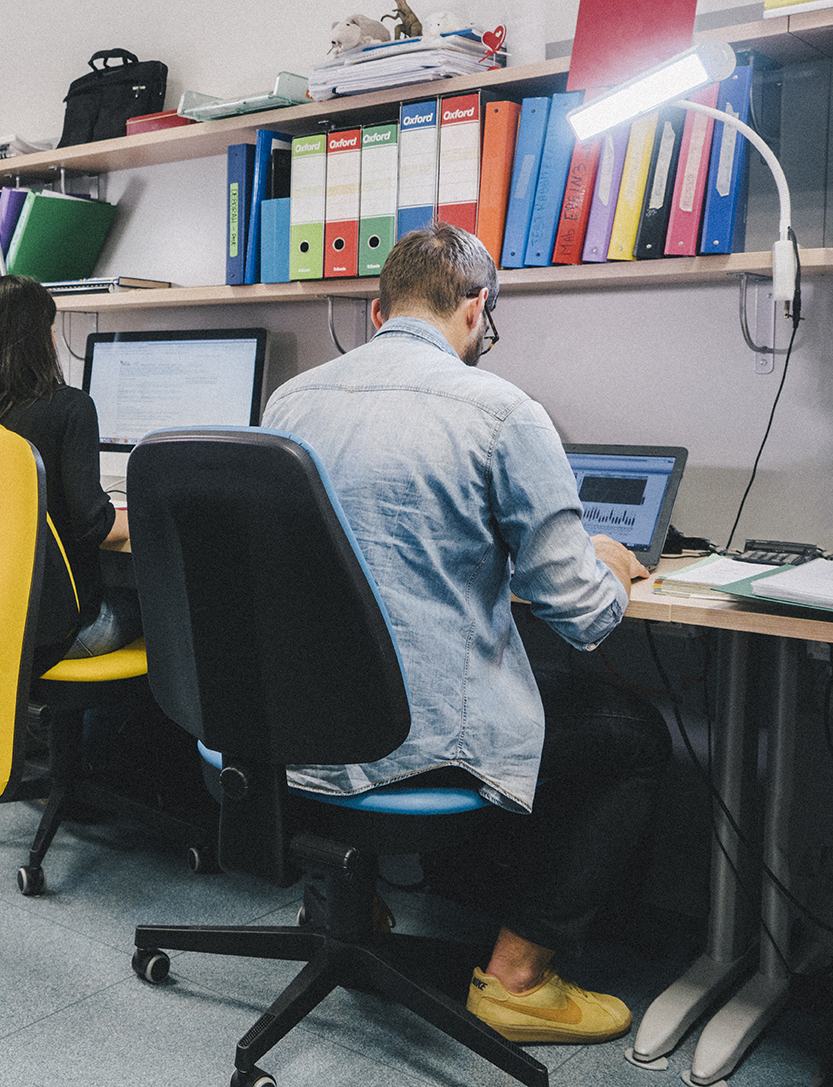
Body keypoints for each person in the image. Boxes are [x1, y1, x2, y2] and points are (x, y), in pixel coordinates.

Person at [260, 222, 670, 1045]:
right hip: (418, 735)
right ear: (477, 308)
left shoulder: (288, 400)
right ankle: (519, 978)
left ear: (378, 312)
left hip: (295, 721)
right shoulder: (502, 411)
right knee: (633, 734)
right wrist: (608, 563)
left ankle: (350, 902)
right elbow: (583, 617)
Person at [0, 274, 137, 660]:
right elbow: (95, 526)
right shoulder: (70, 407)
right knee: (165, 612)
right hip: (58, 632)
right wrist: (150, 513)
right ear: (40, 336)